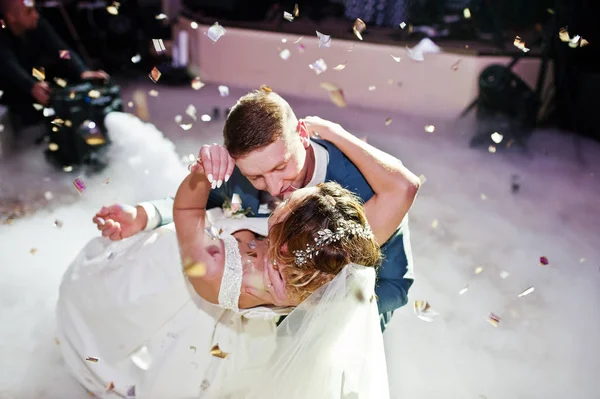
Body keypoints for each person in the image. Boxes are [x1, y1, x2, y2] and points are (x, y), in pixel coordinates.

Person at [57, 114, 411, 397]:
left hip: (260, 337)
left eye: (288, 199)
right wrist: (334, 130)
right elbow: (403, 189)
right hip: (263, 341)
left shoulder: (220, 274)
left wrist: (199, 173)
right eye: (257, 177)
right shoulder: (330, 263)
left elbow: (187, 212)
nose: (275, 190)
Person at [94, 89, 420, 330]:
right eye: (256, 177)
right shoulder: (242, 170)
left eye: (281, 167)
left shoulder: (364, 188)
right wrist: (144, 214)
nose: (276, 187)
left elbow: (395, 287)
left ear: (303, 135)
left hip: (342, 324)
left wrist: (310, 305)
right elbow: (197, 208)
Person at [0, 0, 108, 127]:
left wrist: (81, 70)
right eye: (29, 12)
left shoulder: (37, 24)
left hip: (37, 75)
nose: (36, 15)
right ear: (11, 17)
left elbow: (61, 50)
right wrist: (31, 85)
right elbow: (8, 63)